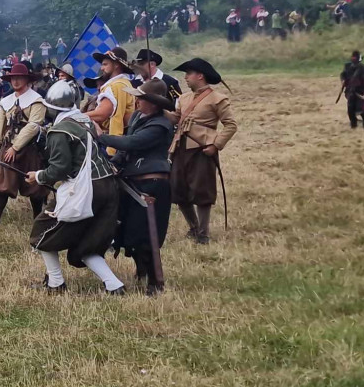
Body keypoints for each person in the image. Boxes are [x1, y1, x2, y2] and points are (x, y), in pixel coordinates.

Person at [25, 81, 124, 295]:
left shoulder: (59, 130)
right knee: (87, 242)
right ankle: (114, 285)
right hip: (107, 185)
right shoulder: (85, 121)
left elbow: (59, 169)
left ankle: (56, 283)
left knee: (41, 231)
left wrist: (38, 176)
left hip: (86, 189)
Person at [96, 79, 176, 295]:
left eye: (141, 98)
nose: (137, 101)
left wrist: (102, 137)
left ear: (153, 103)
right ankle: (141, 271)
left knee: (148, 236)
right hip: (132, 181)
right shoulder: (138, 118)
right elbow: (126, 147)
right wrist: (113, 165)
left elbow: (134, 143)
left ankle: (155, 282)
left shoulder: (161, 125)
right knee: (129, 232)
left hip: (152, 185)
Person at [168, 58, 238, 245]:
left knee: (202, 193)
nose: (186, 78)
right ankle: (193, 227)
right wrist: (157, 108)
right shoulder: (183, 98)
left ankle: (203, 234)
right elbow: (176, 119)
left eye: (189, 74)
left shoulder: (218, 99)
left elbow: (230, 125)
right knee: (178, 191)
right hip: (180, 148)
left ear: (200, 76)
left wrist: (216, 145)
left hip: (201, 150)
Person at [0, 62, 47, 226]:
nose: (16, 81)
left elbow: (34, 126)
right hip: (7, 147)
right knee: (1, 185)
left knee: (35, 188)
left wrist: (16, 147)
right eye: (13, 78)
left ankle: (38, 221)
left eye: (19, 78)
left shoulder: (37, 101)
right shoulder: (6, 101)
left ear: (27, 79)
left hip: (30, 149)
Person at [84, 48, 135, 155]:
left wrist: (75, 117)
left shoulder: (116, 86)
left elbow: (102, 114)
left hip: (112, 142)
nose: (102, 68)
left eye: (105, 64)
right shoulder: (124, 83)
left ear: (116, 65)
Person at [340, 51, 364, 129]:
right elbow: (343, 75)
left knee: (362, 109)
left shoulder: (363, 68)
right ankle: (353, 125)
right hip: (351, 91)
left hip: (361, 91)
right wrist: (343, 81)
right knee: (350, 109)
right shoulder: (348, 66)